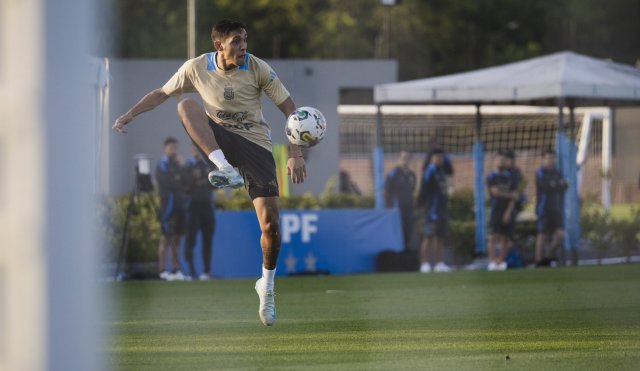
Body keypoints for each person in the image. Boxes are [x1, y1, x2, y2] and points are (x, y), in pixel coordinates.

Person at [113, 19, 307, 326]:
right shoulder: (195, 67)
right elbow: (162, 94)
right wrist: (128, 115)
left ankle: (266, 286)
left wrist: (295, 154)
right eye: (237, 41)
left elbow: (290, 108)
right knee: (186, 104)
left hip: (255, 144)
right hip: (217, 140)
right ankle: (225, 168)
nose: (244, 46)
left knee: (271, 226)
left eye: (245, 40)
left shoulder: (258, 68)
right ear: (219, 45)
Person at [155, 137, 188, 281]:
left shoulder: (178, 165)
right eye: (170, 148)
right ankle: (162, 271)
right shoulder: (162, 165)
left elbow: (187, 182)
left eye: (175, 147)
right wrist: (177, 179)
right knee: (165, 239)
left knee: (177, 239)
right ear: (165, 149)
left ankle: (175, 270)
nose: (173, 150)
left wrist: (182, 168)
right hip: (167, 207)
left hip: (180, 207)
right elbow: (168, 183)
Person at [184, 145, 216, 281]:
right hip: (193, 207)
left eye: (198, 148)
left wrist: (205, 179)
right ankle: (191, 272)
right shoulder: (188, 167)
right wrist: (193, 179)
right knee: (191, 240)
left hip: (207, 207)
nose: (196, 151)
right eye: (194, 149)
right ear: (192, 150)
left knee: (207, 240)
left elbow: (215, 185)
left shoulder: (208, 165)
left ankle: (206, 272)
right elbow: (184, 187)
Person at [418, 149, 452, 273]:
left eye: (441, 157)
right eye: (437, 157)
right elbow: (423, 191)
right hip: (432, 210)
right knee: (428, 236)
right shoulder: (429, 171)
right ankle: (424, 264)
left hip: (442, 210)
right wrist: (425, 208)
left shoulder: (441, 171)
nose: (440, 159)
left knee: (440, 236)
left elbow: (451, 170)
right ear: (432, 158)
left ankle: (439, 263)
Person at [535, 149, 567, 266]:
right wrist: (556, 184)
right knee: (542, 234)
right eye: (548, 158)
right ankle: (538, 261)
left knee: (561, 235)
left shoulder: (557, 172)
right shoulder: (540, 172)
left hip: (556, 209)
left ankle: (548, 255)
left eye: (552, 158)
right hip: (544, 208)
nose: (550, 160)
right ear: (543, 159)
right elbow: (545, 186)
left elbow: (564, 185)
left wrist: (556, 184)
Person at [486, 152, 517, 271]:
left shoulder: (511, 177)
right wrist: (510, 195)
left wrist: (508, 212)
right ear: (494, 162)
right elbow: (495, 192)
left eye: (503, 160)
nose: (501, 162)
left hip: (507, 211)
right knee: (493, 236)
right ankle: (492, 262)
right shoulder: (492, 177)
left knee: (505, 238)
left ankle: (501, 262)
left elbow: (515, 197)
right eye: (498, 160)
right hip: (496, 210)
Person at [384, 151, 417, 248]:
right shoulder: (394, 173)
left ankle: (406, 255)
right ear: (398, 159)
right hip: (397, 210)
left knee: (408, 233)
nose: (405, 160)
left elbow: (412, 190)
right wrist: (389, 207)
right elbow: (386, 191)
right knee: (398, 233)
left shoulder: (412, 175)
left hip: (409, 210)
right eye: (403, 158)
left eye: (407, 158)